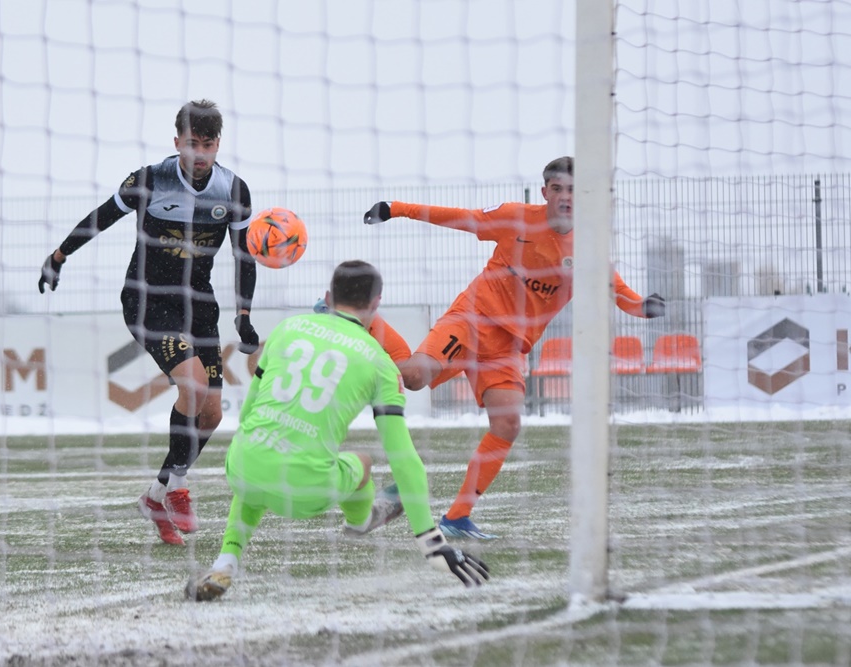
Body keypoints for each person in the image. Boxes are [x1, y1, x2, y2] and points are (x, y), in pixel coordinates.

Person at [362, 156, 666, 539]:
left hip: (508, 348)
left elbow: (620, 294)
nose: (565, 196)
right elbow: (461, 217)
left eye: (573, 190)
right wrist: (396, 208)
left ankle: (456, 518)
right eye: (557, 188)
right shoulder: (516, 218)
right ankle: (366, 318)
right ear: (545, 192)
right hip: (473, 320)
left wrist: (645, 307)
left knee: (507, 424)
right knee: (415, 377)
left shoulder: (588, 249)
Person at [187, 260, 489, 601]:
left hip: (241, 470)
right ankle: (362, 520)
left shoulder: (287, 329)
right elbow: (403, 457)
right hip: (307, 491)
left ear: (328, 297)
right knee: (362, 461)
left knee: (258, 449)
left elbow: (247, 415)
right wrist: (432, 544)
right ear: (375, 304)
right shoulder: (381, 363)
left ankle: (225, 562)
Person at [38, 99, 260, 546]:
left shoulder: (234, 191)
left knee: (212, 413)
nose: (200, 153)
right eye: (192, 143)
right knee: (193, 385)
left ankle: (155, 497)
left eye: (208, 144)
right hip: (147, 299)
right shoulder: (150, 179)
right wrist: (59, 256)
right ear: (177, 142)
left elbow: (244, 255)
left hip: (199, 305)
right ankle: (177, 488)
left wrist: (244, 315)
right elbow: (102, 217)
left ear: (218, 145)